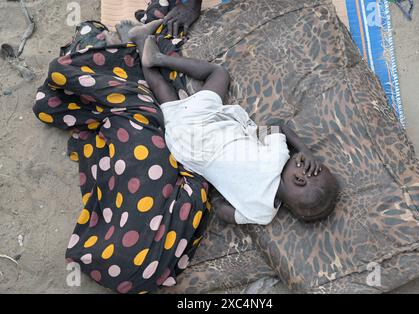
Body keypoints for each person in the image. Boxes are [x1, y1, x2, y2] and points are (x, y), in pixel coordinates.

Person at [129, 20, 339, 225]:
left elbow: (275, 124)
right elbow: (222, 211)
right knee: (165, 96)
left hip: (204, 126)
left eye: (311, 165)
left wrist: (304, 148)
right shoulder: (262, 216)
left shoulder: (277, 157)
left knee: (219, 74)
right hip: (184, 148)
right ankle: (140, 40)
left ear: (299, 180)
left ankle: (156, 57)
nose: (303, 160)